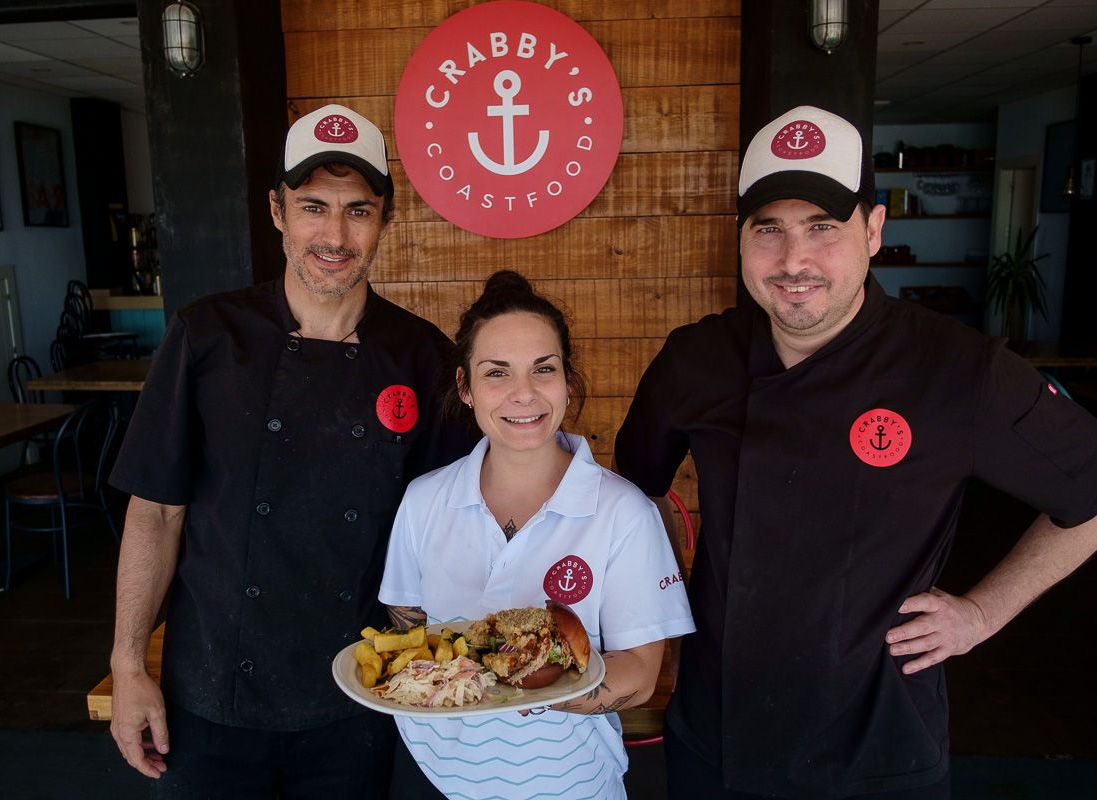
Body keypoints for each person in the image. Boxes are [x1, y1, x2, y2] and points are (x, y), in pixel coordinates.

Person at [614, 105, 1097, 799]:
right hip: (716, 738)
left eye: (824, 227)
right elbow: (632, 493)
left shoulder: (958, 369)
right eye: (769, 230)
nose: (794, 261)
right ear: (740, 240)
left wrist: (983, 613)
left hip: (876, 752)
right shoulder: (696, 360)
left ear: (873, 230)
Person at [107, 104, 471, 797]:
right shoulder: (207, 336)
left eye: (357, 211)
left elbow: (449, 524)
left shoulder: (422, 356)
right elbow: (154, 512)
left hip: (358, 695)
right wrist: (128, 665)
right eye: (313, 207)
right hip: (213, 691)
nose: (334, 235)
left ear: (386, 221)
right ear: (277, 210)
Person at [378, 271, 695, 799]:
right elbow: (406, 621)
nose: (523, 394)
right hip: (430, 774)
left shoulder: (623, 512)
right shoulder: (423, 499)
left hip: (570, 783)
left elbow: (640, 676)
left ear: (567, 381)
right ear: (466, 387)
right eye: (497, 373)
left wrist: (524, 686)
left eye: (543, 369)